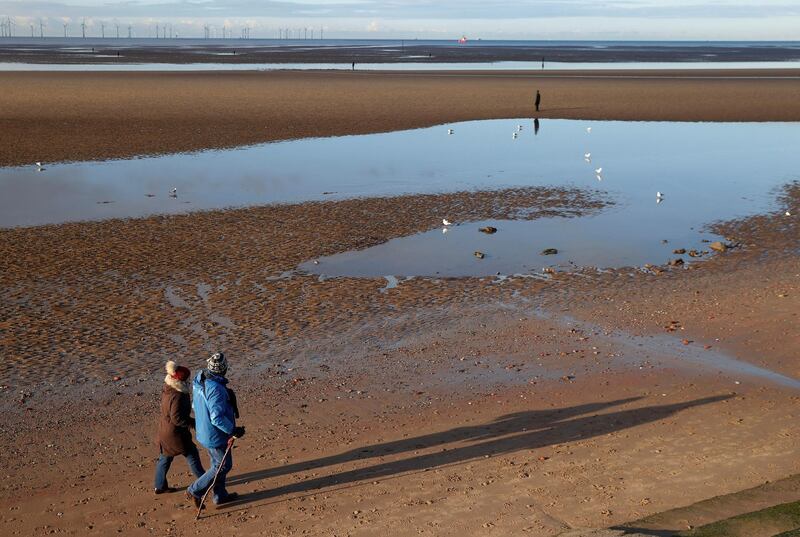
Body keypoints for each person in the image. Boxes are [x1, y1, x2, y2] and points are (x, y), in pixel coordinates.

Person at [186, 352, 245, 509]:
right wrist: (233, 430)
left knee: (217, 463)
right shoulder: (216, 389)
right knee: (222, 466)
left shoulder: (200, 382)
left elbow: (195, 406)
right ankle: (194, 490)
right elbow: (216, 418)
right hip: (214, 434)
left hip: (204, 431)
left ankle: (220, 495)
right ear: (224, 369)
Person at [154, 361, 205, 494]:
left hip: (164, 430)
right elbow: (176, 418)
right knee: (192, 454)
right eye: (188, 378)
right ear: (182, 381)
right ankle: (205, 480)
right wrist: (193, 423)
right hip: (175, 433)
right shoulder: (178, 395)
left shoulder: (168, 389)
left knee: (165, 457)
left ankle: (159, 486)